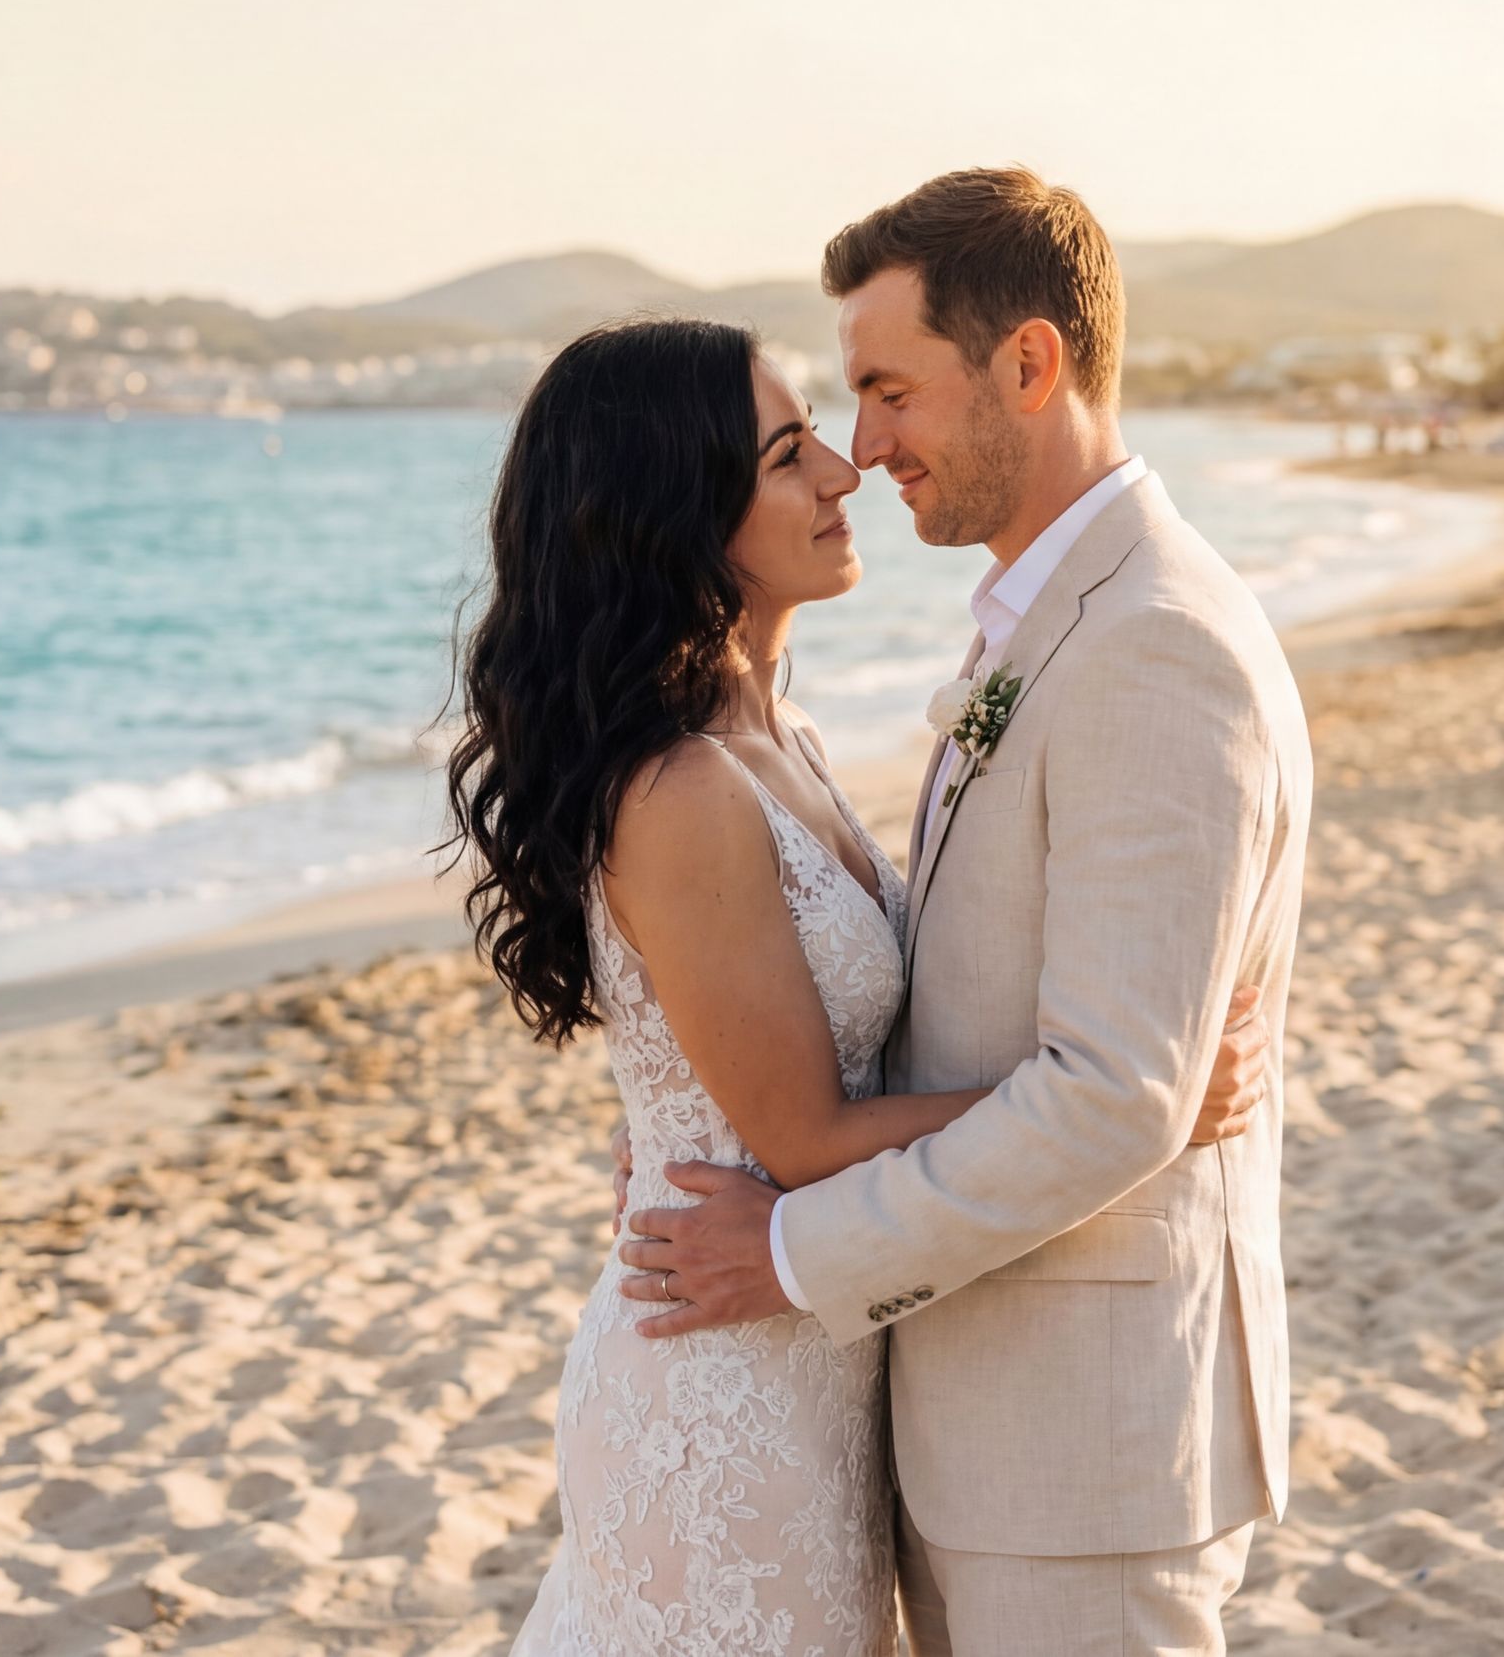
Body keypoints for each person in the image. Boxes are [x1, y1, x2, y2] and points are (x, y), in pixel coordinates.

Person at [447, 314, 1268, 1652]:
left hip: (820, 1353)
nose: (844, 470)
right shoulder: (683, 789)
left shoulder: (787, 736)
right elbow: (806, 1135)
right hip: (724, 1383)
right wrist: (1136, 1094)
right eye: (788, 455)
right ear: (677, 515)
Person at [612, 169, 1311, 1655]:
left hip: (1084, 1449)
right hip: (967, 1426)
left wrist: (790, 1248)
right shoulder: (1047, 623)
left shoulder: (1153, 643)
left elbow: (1115, 1094)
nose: (865, 449)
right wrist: (706, 1120)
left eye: (890, 391)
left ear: (1030, 364)